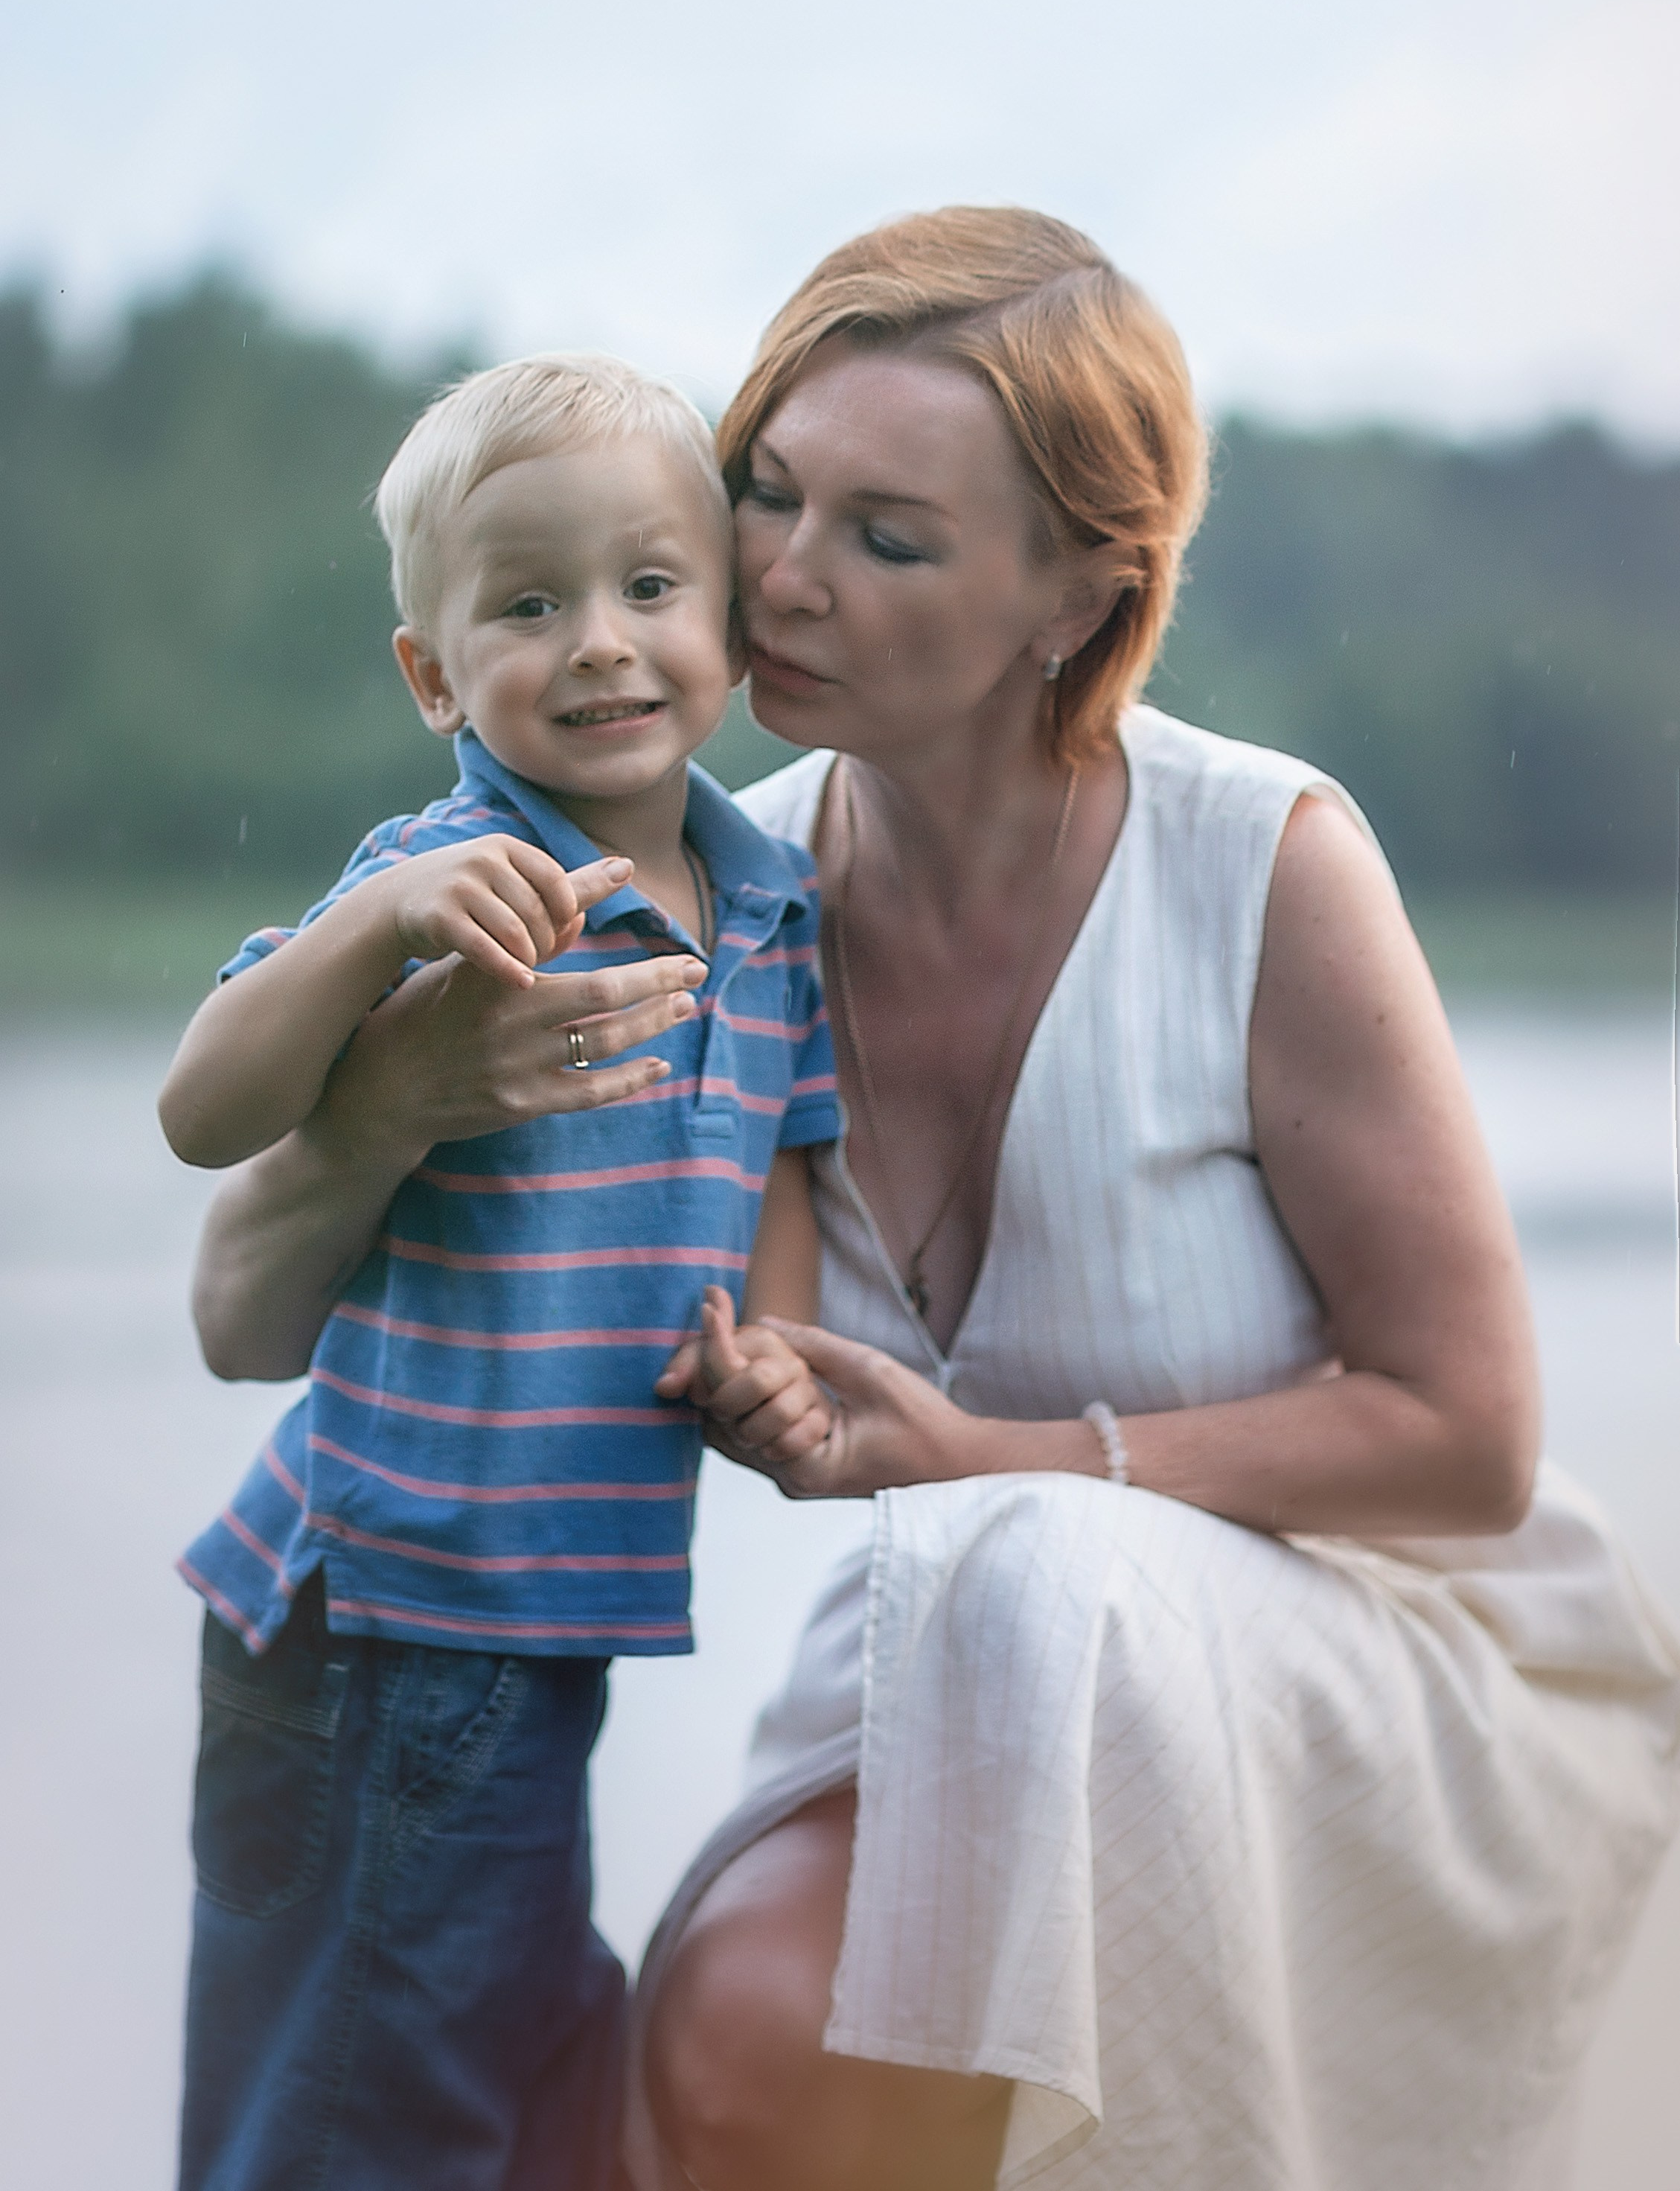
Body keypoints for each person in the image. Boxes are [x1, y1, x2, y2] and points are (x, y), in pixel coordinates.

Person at [188, 211, 1680, 2191]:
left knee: (1038, 1566)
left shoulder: (1266, 865)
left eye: (888, 540)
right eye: (771, 495)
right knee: (730, 2033)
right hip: (972, 1673)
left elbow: (1469, 1442)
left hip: (1367, 1662)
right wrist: (395, 1101)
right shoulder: (724, 886)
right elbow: (242, 1302)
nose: (780, 581)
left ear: (1074, 595)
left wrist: (986, 1454)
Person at [157, 353, 842, 2191]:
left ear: (727, 620)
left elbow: (781, 1158)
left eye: (647, 588)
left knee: (522, 2079)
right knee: (358, 2111)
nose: (602, 644)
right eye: (528, 605)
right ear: (434, 674)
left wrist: (762, 1348)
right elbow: (203, 1111)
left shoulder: (770, 905)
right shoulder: (453, 867)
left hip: (545, 1612)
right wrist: (367, 924)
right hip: (388, 1601)